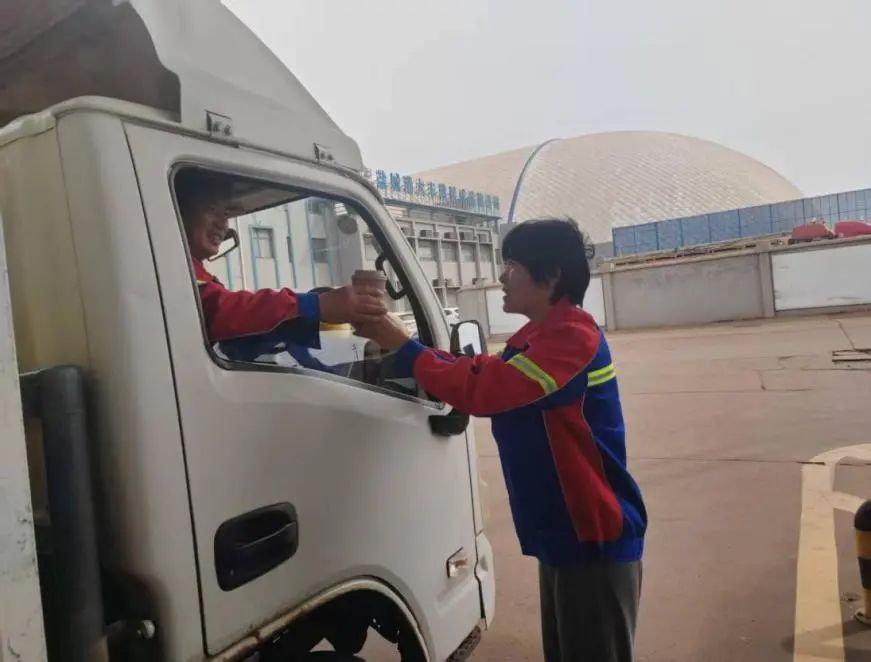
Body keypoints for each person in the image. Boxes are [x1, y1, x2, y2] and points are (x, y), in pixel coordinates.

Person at [357, 218, 647, 662]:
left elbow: (485, 390)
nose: (501, 276)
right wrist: (407, 346)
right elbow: (478, 372)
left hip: (593, 534)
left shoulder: (572, 337)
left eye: (512, 265)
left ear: (551, 275)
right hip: (565, 533)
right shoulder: (535, 337)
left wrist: (403, 345)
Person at [175, 169, 386, 352]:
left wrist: (312, 314)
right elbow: (221, 312)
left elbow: (233, 341)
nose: (222, 224)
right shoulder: (176, 272)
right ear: (178, 212)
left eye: (226, 214)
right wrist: (315, 305)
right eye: (212, 210)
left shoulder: (194, 271)